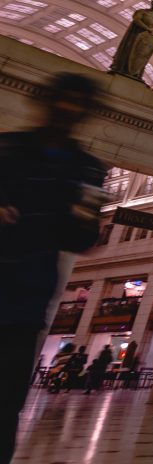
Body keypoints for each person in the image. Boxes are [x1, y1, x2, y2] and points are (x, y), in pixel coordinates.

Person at [0, 73, 104, 464]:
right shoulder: (7, 150)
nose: (68, 109)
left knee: (6, 400)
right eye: (63, 99)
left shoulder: (88, 170)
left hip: (28, 295)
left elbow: (80, 239)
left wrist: (82, 223)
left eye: (78, 103)